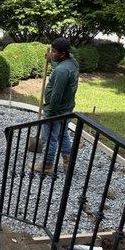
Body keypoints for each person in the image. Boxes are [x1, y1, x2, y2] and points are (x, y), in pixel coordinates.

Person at [33, 38, 79, 173]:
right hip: (67, 109)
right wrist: (51, 60)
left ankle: (47, 165)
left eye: (54, 51)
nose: (52, 53)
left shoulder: (61, 71)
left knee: (50, 138)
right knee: (63, 134)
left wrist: (51, 115)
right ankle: (68, 161)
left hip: (56, 111)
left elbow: (56, 96)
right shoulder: (72, 63)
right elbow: (60, 67)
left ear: (63, 54)